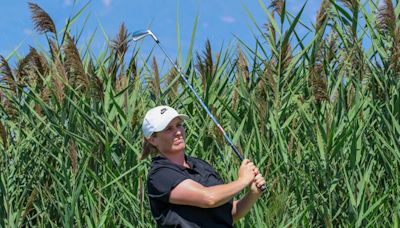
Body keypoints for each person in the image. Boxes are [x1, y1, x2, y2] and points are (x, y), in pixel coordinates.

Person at [141, 105, 266, 227]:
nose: (178, 132)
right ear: (152, 140)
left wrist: (253, 193)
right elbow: (209, 198)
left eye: (179, 125)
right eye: (169, 129)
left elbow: (230, 214)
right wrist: (243, 181)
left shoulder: (201, 165)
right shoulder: (159, 175)